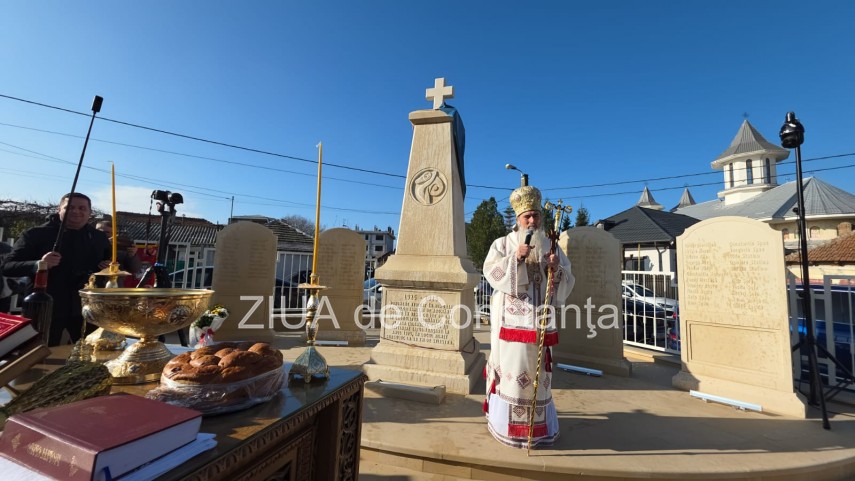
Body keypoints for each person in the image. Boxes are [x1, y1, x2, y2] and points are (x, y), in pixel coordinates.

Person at [482, 180, 575, 449]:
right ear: (518, 219)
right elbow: (491, 273)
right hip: (510, 328)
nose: (532, 220)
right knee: (513, 376)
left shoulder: (551, 245)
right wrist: (516, 260)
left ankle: (539, 428)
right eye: (526, 216)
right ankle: (509, 429)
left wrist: (556, 269)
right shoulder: (503, 243)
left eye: (535, 215)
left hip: (541, 323)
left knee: (540, 379)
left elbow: (567, 283)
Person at [2, 193, 110, 346]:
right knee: (37, 352)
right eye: (70, 207)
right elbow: (7, 267)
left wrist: (106, 266)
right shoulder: (35, 234)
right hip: (46, 307)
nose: (76, 211)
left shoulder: (99, 238)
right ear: (59, 209)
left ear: (89, 212)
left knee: (91, 352)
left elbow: (109, 265)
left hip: (86, 307)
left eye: (82, 208)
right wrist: (39, 263)